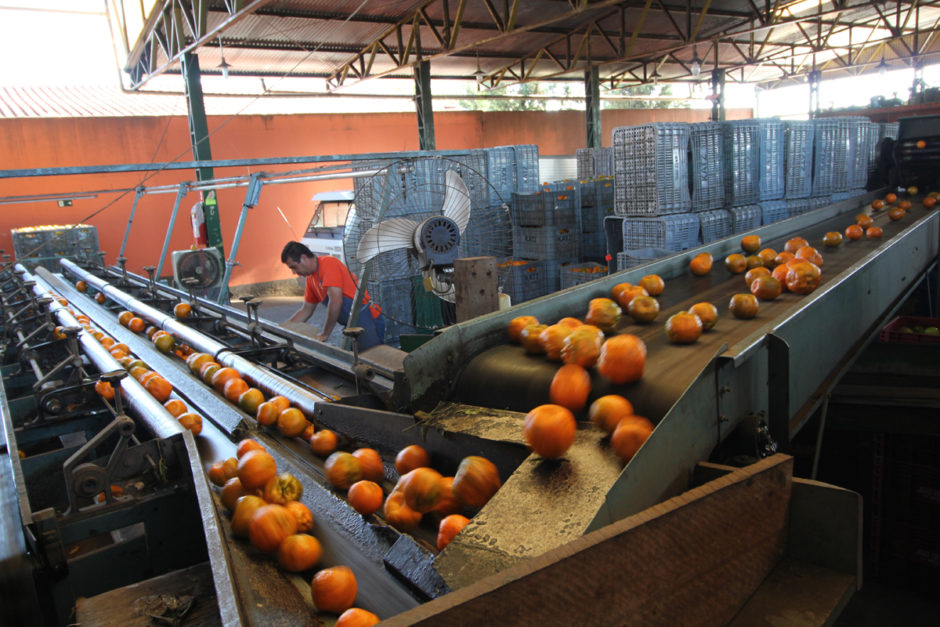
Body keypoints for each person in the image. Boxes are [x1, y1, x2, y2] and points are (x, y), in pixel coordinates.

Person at [280, 241, 385, 350]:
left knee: (371, 359)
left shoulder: (328, 263)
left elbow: (335, 301)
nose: (293, 272)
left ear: (303, 258)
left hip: (368, 320)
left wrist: (325, 334)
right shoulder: (311, 280)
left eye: (294, 267)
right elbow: (306, 310)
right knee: (356, 360)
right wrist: (284, 330)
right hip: (351, 325)